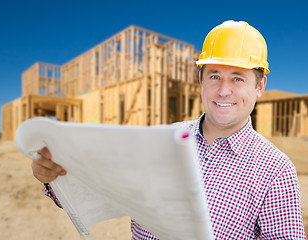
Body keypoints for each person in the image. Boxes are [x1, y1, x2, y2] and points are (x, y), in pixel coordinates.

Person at [31, 20, 306, 239]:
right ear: (200, 79)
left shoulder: (275, 170)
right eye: (214, 76)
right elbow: (100, 192)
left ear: (259, 86)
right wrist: (55, 177)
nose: (223, 90)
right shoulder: (163, 139)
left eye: (238, 78)